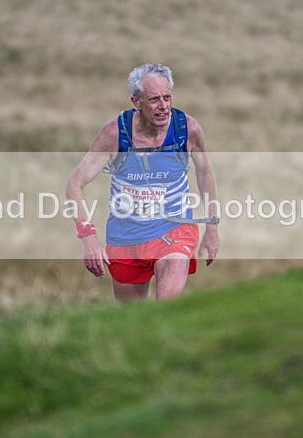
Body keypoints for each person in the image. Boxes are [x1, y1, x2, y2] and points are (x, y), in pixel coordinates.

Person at [66, 63, 220, 301]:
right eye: (154, 99)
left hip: (174, 228)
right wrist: (88, 237)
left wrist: (212, 226)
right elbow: (74, 184)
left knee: (166, 306)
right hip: (126, 237)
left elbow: (205, 172)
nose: (164, 106)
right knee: (133, 322)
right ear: (136, 102)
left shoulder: (187, 129)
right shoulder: (114, 134)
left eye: (167, 97)